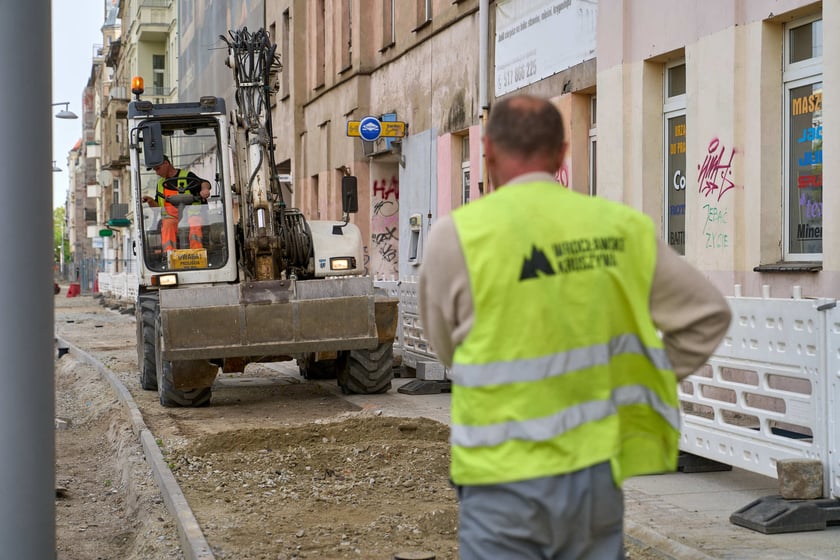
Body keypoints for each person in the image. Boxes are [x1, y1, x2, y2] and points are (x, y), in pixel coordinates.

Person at [418, 94, 732, 560]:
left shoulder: (456, 236)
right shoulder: (621, 229)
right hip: (592, 473)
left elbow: (446, 349)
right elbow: (708, 315)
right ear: (563, 153)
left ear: (488, 152)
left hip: (498, 475)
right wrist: (643, 375)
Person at [141, 155, 211, 253]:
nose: (157, 172)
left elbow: (204, 183)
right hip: (172, 218)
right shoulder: (160, 184)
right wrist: (151, 201)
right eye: (155, 170)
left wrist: (204, 189)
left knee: (195, 223)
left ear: (166, 163)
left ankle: (197, 254)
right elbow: (158, 207)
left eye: (158, 169)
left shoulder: (186, 176)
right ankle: (169, 255)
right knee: (167, 225)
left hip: (191, 215)